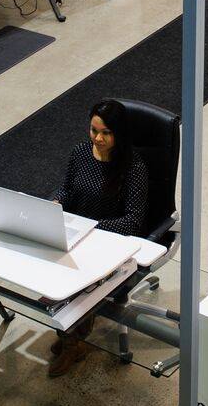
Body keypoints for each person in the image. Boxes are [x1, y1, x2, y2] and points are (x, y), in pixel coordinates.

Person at [45, 99, 150, 378]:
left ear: (120, 134)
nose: (98, 139)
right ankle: (69, 332)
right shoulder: (80, 152)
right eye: (94, 131)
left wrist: (90, 228)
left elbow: (132, 221)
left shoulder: (133, 168)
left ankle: (74, 341)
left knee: (79, 283)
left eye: (106, 133)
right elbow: (67, 189)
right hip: (75, 234)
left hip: (107, 241)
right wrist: (56, 203)